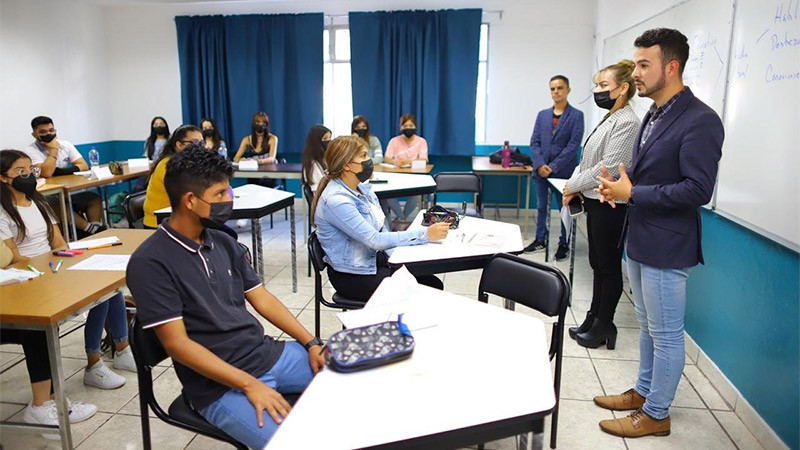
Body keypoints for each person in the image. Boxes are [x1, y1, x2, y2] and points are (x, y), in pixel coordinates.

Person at [126, 146, 324, 448]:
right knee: (292, 444)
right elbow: (178, 345)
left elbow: (262, 299)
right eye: (220, 194)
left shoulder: (222, 241)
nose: (229, 200)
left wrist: (310, 343)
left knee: (349, 381)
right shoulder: (150, 262)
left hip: (265, 354)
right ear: (190, 200)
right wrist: (249, 384)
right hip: (217, 387)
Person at [593, 28, 724, 438]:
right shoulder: (654, 112)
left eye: (645, 65)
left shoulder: (701, 120)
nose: (637, 73)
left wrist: (635, 192)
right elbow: (650, 175)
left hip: (669, 244)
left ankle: (657, 413)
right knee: (649, 326)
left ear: (672, 67)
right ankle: (645, 392)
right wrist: (620, 189)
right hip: (642, 237)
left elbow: (699, 190)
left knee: (666, 334)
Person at [0, 150, 136, 394]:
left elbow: (59, 242)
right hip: (29, 274)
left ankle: (122, 349)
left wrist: (64, 260)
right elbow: (14, 257)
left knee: (109, 286)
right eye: (20, 172)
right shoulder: (3, 211)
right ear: (3, 178)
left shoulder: (39, 202)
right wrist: (46, 266)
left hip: (53, 266)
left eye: (30, 170)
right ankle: (94, 363)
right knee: (97, 294)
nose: (28, 175)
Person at [312, 136, 449, 303]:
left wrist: (398, 257)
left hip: (373, 261)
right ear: (347, 165)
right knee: (425, 291)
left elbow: (382, 229)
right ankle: (396, 326)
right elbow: (375, 240)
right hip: (353, 276)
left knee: (432, 283)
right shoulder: (336, 201)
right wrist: (425, 234)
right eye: (363, 156)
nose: (369, 160)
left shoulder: (363, 190)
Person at [562, 60, 640, 350]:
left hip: (611, 204)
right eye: (597, 85)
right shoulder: (611, 116)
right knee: (597, 264)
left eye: (603, 86)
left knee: (608, 266)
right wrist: (572, 186)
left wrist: (573, 185)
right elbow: (587, 160)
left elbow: (609, 168)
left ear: (623, 88)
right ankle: (593, 318)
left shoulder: (628, 122)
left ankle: (605, 324)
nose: (597, 91)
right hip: (594, 200)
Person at [524, 76, 584, 260]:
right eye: (552, 89)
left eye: (559, 88)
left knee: (564, 208)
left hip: (563, 172)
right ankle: (540, 238)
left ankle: (564, 243)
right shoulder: (542, 115)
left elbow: (573, 145)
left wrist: (553, 166)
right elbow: (534, 142)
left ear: (568, 90)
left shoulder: (576, 116)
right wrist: (541, 164)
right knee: (542, 207)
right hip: (541, 171)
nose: (556, 92)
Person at [24, 116, 106, 237]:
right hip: (47, 195)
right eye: (43, 132)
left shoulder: (65, 144)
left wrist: (60, 172)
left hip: (67, 190)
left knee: (93, 198)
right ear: (34, 135)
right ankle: (90, 229)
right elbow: (46, 173)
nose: (48, 134)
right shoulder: (31, 151)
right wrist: (53, 150)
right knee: (58, 204)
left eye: (51, 130)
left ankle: (95, 228)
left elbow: (83, 165)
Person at [142, 125, 202, 229]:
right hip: (159, 222)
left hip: (180, 217)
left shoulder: (188, 163)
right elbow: (188, 194)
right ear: (179, 144)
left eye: (202, 143)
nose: (200, 147)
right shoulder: (167, 165)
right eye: (195, 142)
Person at [383, 114, 428, 225]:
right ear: (401, 127)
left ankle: (400, 219)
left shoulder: (421, 141)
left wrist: (407, 162)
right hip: (396, 176)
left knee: (416, 195)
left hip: (415, 177)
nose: (408, 128)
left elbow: (423, 160)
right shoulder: (394, 141)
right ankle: (402, 218)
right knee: (387, 194)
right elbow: (387, 158)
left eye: (411, 125)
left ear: (415, 127)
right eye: (405, 125)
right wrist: (395, 162)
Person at [301, 124, 331, 192]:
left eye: (330, 138)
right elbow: (317, 192)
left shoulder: (326, 160)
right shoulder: (313, 165)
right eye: (325, 138)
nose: (329, 141)